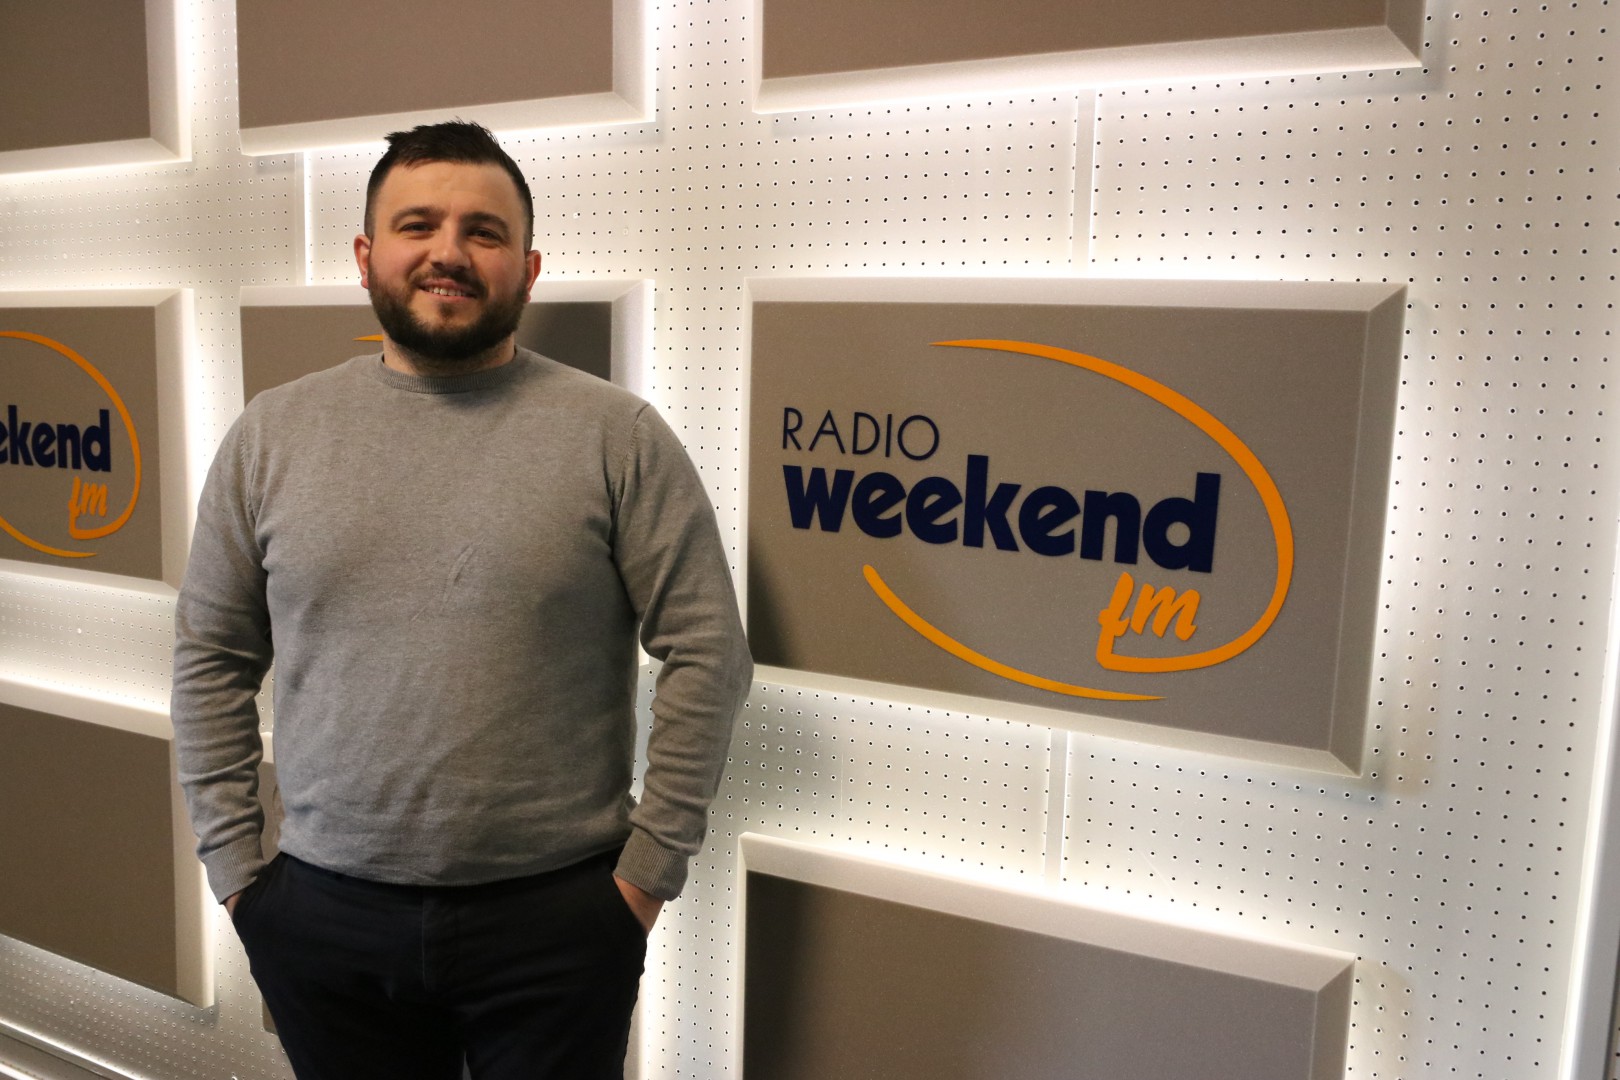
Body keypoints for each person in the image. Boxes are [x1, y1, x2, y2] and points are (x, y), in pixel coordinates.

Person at [170, 120, 753, 1080]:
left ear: (528, 268)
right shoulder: (270, 435)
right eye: (418, 225)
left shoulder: (619, 437)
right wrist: (238, 872)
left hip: (560, 922)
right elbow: (210, 655)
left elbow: (709, 651)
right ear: (366, 256)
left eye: (484, 232)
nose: (449, 252)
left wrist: (644, 879)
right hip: (322, 916)